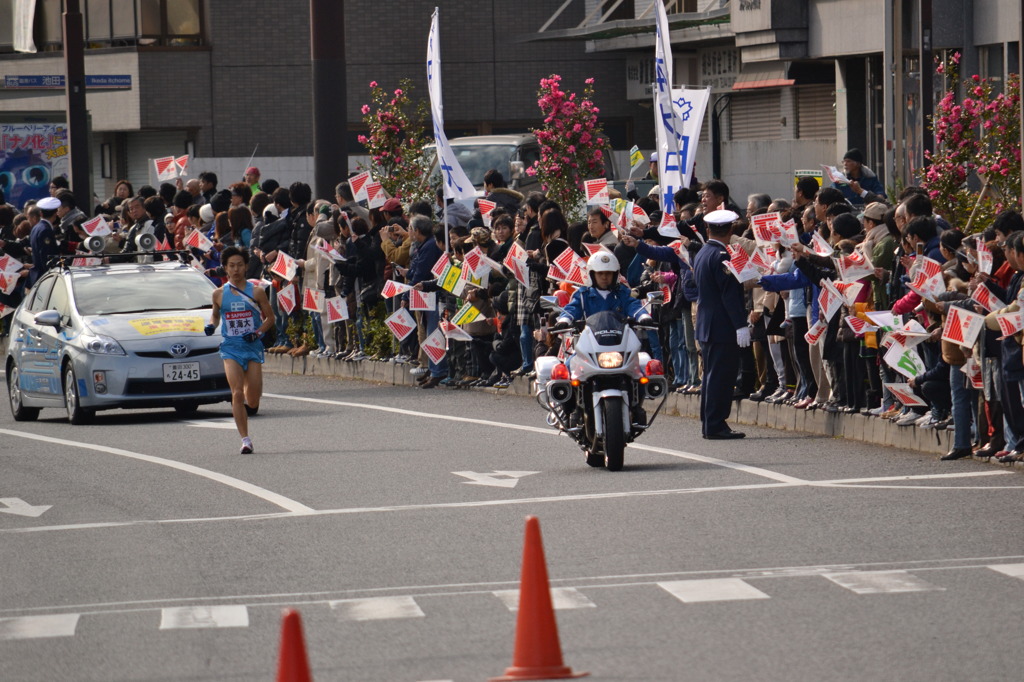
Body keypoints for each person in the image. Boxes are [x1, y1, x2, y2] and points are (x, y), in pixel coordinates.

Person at [206, 246, 274, 454]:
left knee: (252, 400)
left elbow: (270, 318)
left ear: (246, 267)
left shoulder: (257, 291)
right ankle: (245, 439)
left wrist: (258, 333)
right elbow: (216, 315)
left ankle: (248, 407)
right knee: (236, 393)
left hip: (252, 347)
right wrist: (211, 325)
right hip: (231, 348)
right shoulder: (218, 294)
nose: (236, 270)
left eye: (240, 265)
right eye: (231, 266)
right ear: (225, 268)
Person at [693, 209, 749, 439]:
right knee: (721, 377)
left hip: (708, 323)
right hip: (721, 325)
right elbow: (729, 295)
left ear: (708, 229)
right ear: (731, 230)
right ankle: (715, 424)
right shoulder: (722, 256)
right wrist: (740, 324)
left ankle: (710, 421)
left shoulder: (703, 252)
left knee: (711, 376)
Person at [553, 251, 651, 327]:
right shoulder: (583, 295)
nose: (604, 277)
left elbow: (634, 305)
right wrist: (564, 319)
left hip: (621, 341)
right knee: (577, 354)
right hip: (591, 342)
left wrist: (643, 316)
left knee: (641, 353)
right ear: (592, 274)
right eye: (600, 273)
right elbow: (572, 308)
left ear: (615, 274)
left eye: (608, 273)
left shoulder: (623, 293)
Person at [29, 197, 62, 285]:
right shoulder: (45, 230)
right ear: (56, 213)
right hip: (44, 277)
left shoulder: (36, 227)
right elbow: (47, 256)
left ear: (41, 213)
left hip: (37, 275)